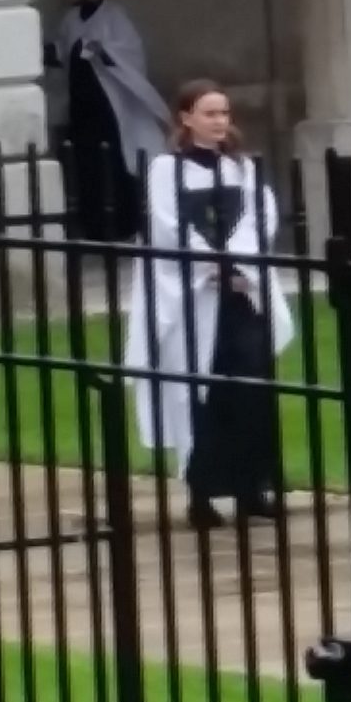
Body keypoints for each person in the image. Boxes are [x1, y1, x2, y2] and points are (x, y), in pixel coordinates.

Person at [122, 80, 296, 531]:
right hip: (195, 298)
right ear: (186, 118)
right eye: (209, 113)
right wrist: (209, 264)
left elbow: (261, 217)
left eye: (224, 113)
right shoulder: (166, 169)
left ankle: (252, 489)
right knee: (199, 389)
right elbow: (165, 223)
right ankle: (201, 493)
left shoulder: (240, 168)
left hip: (240, 294)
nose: (219, 121)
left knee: (251, 389)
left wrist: (237, 264)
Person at [46, 0, 168, 240]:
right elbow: (62, 52)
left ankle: (123, 224)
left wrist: (103, 52)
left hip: (108, 107)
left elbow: (131, 55)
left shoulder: (114, 16)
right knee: (85, 163)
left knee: (113, 161)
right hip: (80, 105)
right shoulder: (70, 17)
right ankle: (92, 224)